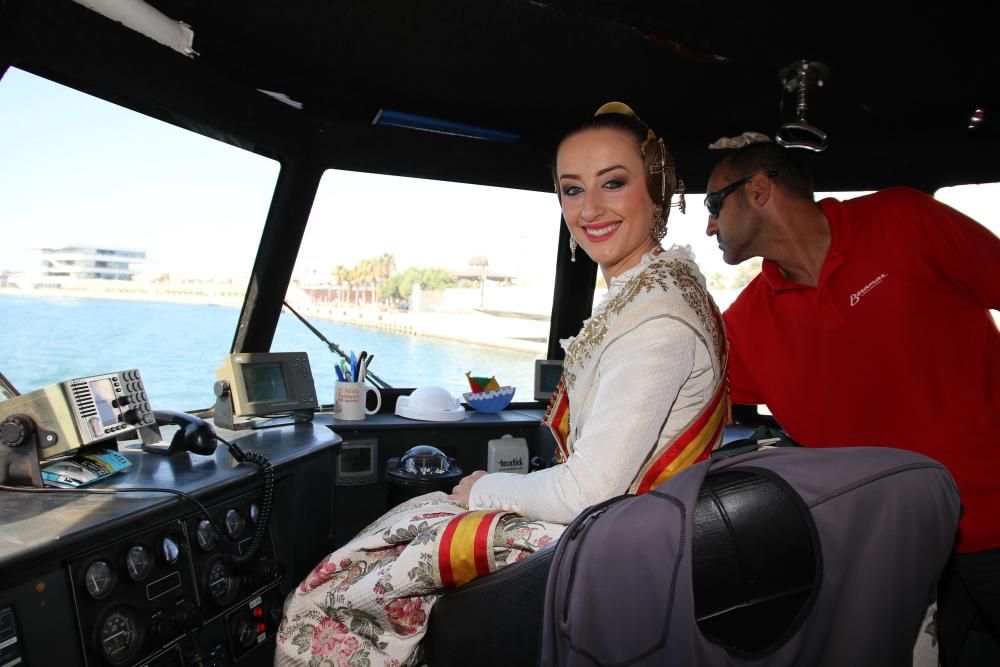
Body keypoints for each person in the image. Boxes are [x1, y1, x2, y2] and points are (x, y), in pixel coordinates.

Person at [274, 103, 727, 667]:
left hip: (613, 545)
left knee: (328, 594)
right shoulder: (662, 290)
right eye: (571, 189)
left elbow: (589, 492)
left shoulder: (656, 323)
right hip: (627, 527)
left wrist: (482, 489)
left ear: (656, 188)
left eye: (614, 182)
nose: (591, 208)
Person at [704, 140, 1000, 666]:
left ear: (758, 190)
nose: (709, 227)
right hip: (895, 557)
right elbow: (679, 399)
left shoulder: (902, 219)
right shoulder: (746, 326)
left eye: (713, 205)